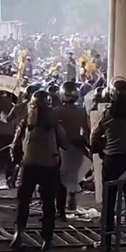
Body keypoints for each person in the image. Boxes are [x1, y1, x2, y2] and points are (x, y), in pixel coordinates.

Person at [90, 76, 126, 251]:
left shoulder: (107, 115)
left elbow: (95, 135)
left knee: (109, 201)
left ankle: (107, 241)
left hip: (111, 160)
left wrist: (99, 148)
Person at [11, 90, 67, 251]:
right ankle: (47, 238)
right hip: (49, 165)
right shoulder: (54, 122)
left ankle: (19, 233)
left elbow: (15, 144)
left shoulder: (26, 121)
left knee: (23, 201)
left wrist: (17, 163)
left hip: (29, 164)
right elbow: (64, 143)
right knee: (48, 203)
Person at [55, 81, 90, 215]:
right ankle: (72, 201)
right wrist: (88, 146)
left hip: (61, 147)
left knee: (61, 178)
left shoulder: (57, 112)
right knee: (74, 176)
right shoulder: (81, 111)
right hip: (77, 146)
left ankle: (61, 209)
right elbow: (86, 131)